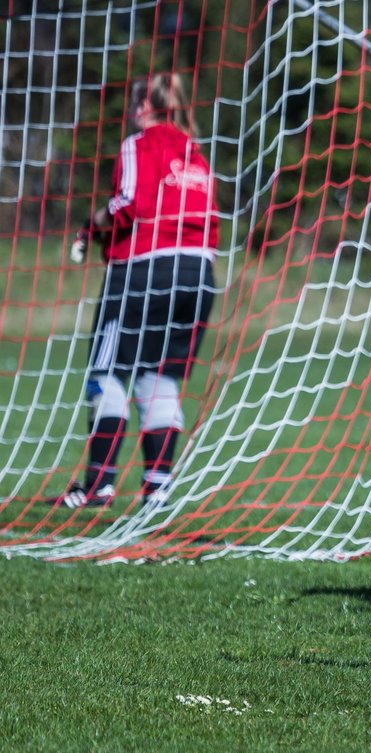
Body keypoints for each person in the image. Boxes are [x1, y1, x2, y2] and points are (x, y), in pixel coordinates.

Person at [47, 73, 219, 509]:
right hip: (199, 276)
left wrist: (91, 226)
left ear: (144, 107)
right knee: (158, 377)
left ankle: (98, 485)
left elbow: (129, 202)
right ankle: (157, 488)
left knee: (108, 372)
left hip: (144, 273)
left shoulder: (140, 144)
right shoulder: (195, 154)